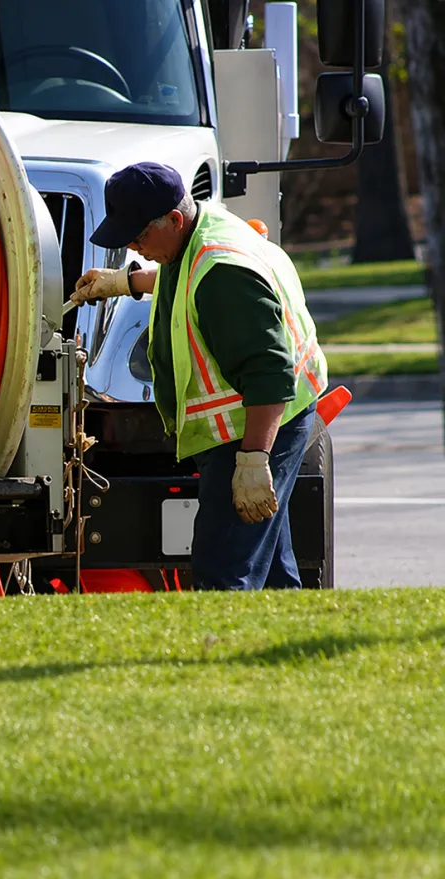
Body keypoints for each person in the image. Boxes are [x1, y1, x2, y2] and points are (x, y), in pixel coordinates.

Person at [71, 162, 326, 590]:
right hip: (254, 422)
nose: (134, 246)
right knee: (271, 570)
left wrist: (252, 461)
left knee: (222, 570)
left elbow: (270, 373)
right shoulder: (198, 230)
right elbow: (183, 271)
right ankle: (289, 650)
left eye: (139, 236)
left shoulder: (224, 275)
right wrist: (127, 282)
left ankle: (218, 654)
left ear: (173, 219)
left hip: (259, 426)